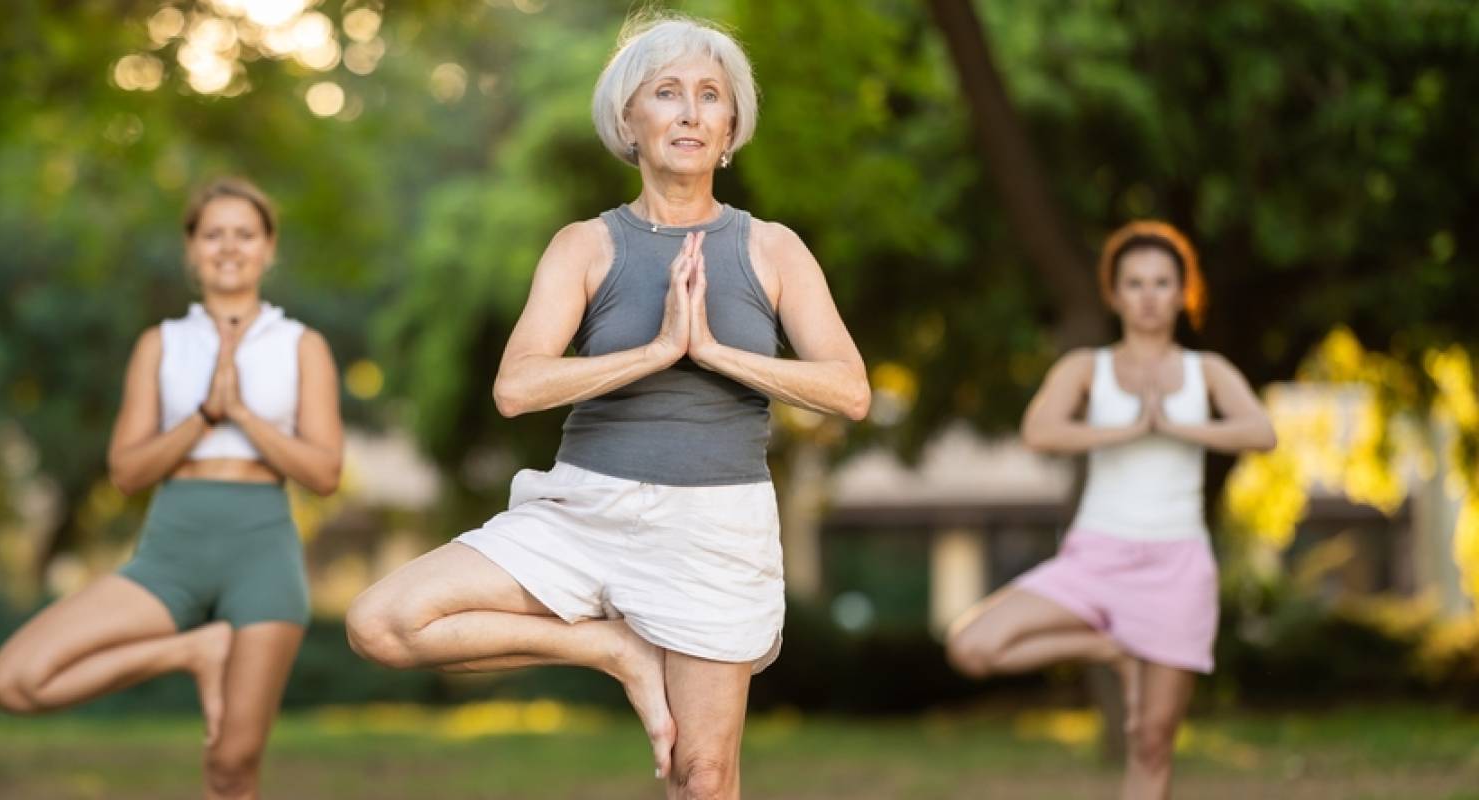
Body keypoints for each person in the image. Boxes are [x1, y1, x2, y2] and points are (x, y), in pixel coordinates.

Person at [344, 14, 868, 799]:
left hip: (714, 528)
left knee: (703, 778)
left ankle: (625, 655)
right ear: (630, 121)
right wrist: (655, 351)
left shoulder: (773, 249)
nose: (689, 112)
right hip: (584, 510)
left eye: (709, 96)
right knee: (382, 622)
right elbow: (517, 386)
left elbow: (850, 389)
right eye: (666, 93)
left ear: (730, 126)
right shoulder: (584, 247)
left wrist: (715, 352)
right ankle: (613, 651)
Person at [0, 177, 343, 800]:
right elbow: (127, 472)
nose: (228, 247)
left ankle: (203, 663)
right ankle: (190, 652)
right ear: (191, 250)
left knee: (232, 768)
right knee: (14, 680)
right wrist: (204, 415)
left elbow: (324, 473)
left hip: (262, 554)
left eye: (244, 234)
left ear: (268, 248)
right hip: (172, 549)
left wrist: (245, 417)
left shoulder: (300, 345)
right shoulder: (161, 344)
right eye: (213, 235)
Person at [946, 220, 1276, 800]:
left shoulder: (1209, 373)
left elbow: (1261, 432)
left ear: (1183, 292)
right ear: (1115, 293)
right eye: (1135, 283)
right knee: (972, 646)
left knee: (1150, 745)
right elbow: (1040, 430)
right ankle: (1109, 645)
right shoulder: (1086, 368)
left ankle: (1123, 649)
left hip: (1178, 567)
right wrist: (1125, 430)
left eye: (1161, 283)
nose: (1148, 296)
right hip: (1095, 557)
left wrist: (1176, 425)